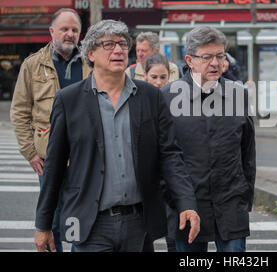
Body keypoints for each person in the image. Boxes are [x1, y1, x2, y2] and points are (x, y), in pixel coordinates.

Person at [34, 20, 200, 252]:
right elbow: (55, 166)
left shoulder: (150, 97)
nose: (119, 50)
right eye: (109, 44)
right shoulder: (69, 100)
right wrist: (43, 224)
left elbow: (170, 155)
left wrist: (186, 204)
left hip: (139, 223)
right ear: (90, 53)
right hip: (90, 223)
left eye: (123, 44)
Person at [161, 26, 256, 252]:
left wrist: (245, 196)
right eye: (207, 57)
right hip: (187, 204)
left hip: (231, 201)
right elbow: (162, 156)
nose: (215, 63)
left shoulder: (238, 94)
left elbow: (248, 151)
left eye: (220, 56)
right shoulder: (167, 97)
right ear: (190, 60)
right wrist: (171, 203)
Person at [10, 8, 91, 252]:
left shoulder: (92, 62)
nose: (70, 34)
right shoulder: (33, 65)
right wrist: (30, 152)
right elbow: (19, 111)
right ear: (52, 31)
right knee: (52, 219)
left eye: (75, 30)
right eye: (64, 29)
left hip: (85, 156)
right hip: (48, 157)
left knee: (82, 215)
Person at [142, 53, 177, 252]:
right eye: (154, 77)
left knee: (173, 236)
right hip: (147, 178)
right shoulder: (138, 99)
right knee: (146, 236)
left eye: (163, 77)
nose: (158, 82)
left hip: (169, 178)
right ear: (145, 75)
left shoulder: (174, 101)